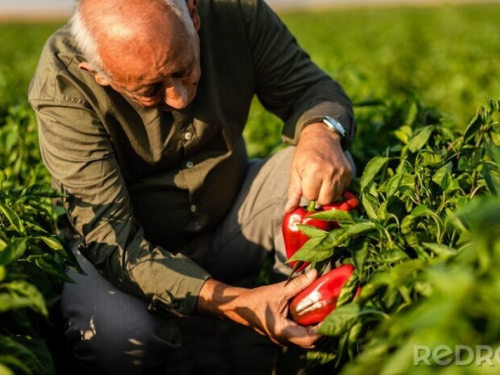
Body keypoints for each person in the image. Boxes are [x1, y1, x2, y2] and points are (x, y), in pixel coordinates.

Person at [28, 0, 356, 373]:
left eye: (184, 70)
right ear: (99, 74)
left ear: (193, 14)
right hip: (131, 252)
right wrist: (235, 303)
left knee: (324, 176)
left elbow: (310, 88)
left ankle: (302, 347)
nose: (179, 98)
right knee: (119, 334)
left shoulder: (236, 13)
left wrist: (321, 133)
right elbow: (113, 241)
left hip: (232, 218)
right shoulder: (65, 83)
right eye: (149, 90)